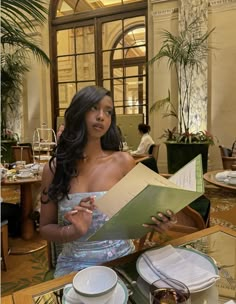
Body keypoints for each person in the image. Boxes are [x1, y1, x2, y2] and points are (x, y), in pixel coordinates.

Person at [39, 86, 176, 278]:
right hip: (73, 267)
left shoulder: (123, 161)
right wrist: (72, 231)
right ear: (79, 111)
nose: (101, 116)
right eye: (94, 108)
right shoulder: (54, 169)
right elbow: (45, 228)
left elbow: (140, 215)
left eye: (108, 111)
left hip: (120, 261)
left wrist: (157, 221)